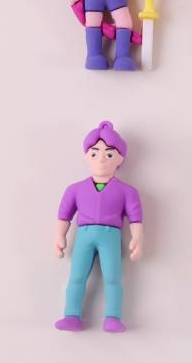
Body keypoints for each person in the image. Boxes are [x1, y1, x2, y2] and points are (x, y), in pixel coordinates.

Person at [54, 121, 143, 332]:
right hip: (84, 235)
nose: (101, 159)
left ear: (120, 159)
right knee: (77, 277)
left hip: (110, 236)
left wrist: (138, 239)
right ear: (87, 156)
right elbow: (64, 215)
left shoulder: (127, 191)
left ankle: (113, 317)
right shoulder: (75, 189)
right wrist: (59, 236)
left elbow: (136, 219)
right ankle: (71, 315)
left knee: (112, 278)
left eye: (109, 154)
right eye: (94, 153)